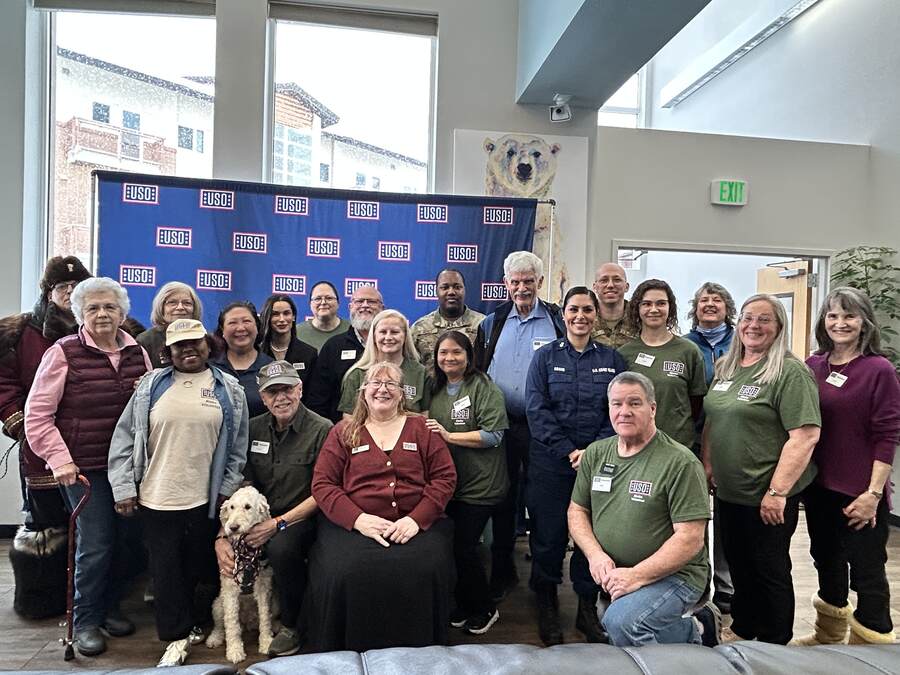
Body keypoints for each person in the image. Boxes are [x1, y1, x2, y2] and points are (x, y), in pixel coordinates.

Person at [108, 319, 249, 667]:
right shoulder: (150, 386)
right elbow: (125, 438)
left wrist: (227, 490)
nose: (188, 350)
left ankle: (196, 623)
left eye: (195, 343)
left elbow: (237, 449)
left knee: (199, 564)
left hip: (205, 496)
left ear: (208, 345)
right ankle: (174, 636)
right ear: (167, 351)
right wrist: (124, 487)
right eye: (179, 345)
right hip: (156, 493)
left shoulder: (229, 389)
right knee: (165, 568)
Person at [25, 277, 152, 657]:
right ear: (80, 313)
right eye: (93, 308)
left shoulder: (136, 352)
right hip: (85, 468)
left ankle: (110, 607)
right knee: (95, 545)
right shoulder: (63, 352)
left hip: (128, 468)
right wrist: (60, 461)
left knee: (127, 544)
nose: (102, 314)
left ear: (122, 313)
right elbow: (37, 415)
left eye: (109, 307)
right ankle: (85, 621)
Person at [308, 361, 457, 652]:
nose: (382, 389)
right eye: (375, 383)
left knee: (426, 567)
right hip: (354, 526)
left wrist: (416, 519)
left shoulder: (422, 429)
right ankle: (347, 650)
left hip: (415, 524)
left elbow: (445, 477)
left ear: (402, 394)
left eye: (391, 384)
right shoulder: (344, 431)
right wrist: (358, 519)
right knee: (345, 571)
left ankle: (420, 650)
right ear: (363, 393)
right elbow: (323, 485)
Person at [568, 372, 719, 648]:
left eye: (634, 403)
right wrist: (595, 555)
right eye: (617, 404)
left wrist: (635, 577)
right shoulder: (597, 454)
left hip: (677, 576)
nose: (624, 412)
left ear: (652, 409)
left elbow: (690, 539)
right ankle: (690, 631)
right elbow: (577, 511)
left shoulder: (680, 463)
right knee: (618, 620)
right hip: (618, 573)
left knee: (622, 622)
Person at [702, 293, 821, 644]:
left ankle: (774, 641)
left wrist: (777, 491)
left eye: (764, 319)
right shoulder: (727, 366)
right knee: (739, 563)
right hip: (729, 489)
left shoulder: (789, 371)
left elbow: (804, 436)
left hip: (768, 492)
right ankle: (744, 625)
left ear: (779, 327)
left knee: (769, 568)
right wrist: (708, 464)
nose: (754, 325)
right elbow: (713, 419)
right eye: (748, 318)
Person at [793, 288, 900, 647]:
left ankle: (873, 643)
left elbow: (887, 435)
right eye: (833, 316)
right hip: (819, 487)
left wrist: (873, 494)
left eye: (849, 316)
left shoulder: (878, 369)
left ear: (864, 322)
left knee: (867, 571)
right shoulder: (813, 365)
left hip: (860, 491)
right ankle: (829, 635)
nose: (840, 323)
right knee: (825, 560)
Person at [524, 286, 626, 645]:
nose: (580, 317)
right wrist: (569, 450)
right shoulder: (544, 358)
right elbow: (536, 410)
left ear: (596, 315)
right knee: (549, 536)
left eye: (587, 310)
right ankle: (548, 603)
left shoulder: (613, 360)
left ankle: (586, 607)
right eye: (573, 310)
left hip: (598, 464)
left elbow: (619, 411)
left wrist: (592, 450)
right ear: (562, 314)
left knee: (592, 538)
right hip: (551, 463)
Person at [217, 359, 332, 657]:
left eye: (287, 389)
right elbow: (242, 487)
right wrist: (222, 535)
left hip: (303, 516)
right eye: (272, 392)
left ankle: (291, 625)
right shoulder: (253, 428)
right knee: (228, 547)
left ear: (300, 389)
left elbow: (324, 491)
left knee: (282, 548)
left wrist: (277, 524)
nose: (281, 398)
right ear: (263, 397)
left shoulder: (322, 429)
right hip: (257, 515)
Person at [475, 250, 564, 601]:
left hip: (543, 428)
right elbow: (480, 373)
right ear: (505, 284)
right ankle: (502, 570)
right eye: (515, 281)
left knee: (542, 501)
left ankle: (545, 582)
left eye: (529, 281)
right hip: (501, 426)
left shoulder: (557, 321)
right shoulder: (491, 322)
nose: (522, 287)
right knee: (502, 498)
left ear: (540, 283)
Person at [425, 331, 508, 636]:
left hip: (481, 486)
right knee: (452, 548)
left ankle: (486, 607)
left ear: (469, 356)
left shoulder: (484, 387)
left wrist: (449, 436)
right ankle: (464, 603)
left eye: (456, 352)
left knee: (465, 548)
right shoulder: (434, 388)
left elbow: (494, 435)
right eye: (443, 353)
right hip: (448, 486)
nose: (449, 358)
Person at [0, 256, 91, 532]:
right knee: (46, 528)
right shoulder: (19, 333)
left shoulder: (104, 330)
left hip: (92, 445)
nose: (70, 291)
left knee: (91, 528)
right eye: (62, 285)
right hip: (40, 446)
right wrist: (22, 426)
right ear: (48, 292)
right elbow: (3, 384)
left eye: (78, 285)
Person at [684, 281, 737, 615]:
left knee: (728, 516)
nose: (710, 304)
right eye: (704, 300)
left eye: (716, 300)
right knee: (695, 514)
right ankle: (698, 579)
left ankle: (727, 584)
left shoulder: (742, 341)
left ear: (727, 307)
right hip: (695, 436)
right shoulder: (686, 345)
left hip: (732, 437)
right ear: (695, 308)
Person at [618, 279, 707, 450]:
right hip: (635, 446)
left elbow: (697, 404)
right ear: (637, 308)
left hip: (678, 447)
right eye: (646, 304)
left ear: (670, 308)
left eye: (661, 303)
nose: (654, 309)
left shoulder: (689, 351)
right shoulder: (624, 354)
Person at [304, 284, 384, 422]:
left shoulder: (391, 344)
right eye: (359, 301)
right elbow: (318, 397)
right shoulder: (334, 346)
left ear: (382, 308)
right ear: (350, 307)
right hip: (342, 430)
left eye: (371, 301)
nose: (364, 305)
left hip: (387, 429)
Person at [337, 309, 431, 418]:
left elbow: (425, 418)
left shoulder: (420, 372)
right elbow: (349, 419)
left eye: (395, 332)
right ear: (374, 336)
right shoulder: (357, 374)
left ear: (405, 336)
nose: (388, 337)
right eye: (383, 332)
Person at [410, 269, 485, 372]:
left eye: (457, 287)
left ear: (464, 290)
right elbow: (411, 369)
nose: (451, 292)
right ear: (436, 291)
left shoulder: (483, 324)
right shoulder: (419, 328)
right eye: (444, 287)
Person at [211, 301, 273, 418]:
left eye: (246, 321)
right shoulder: (210, 367)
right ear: (222, 330)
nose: (240, 328)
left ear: (257, 327)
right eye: (232, 323)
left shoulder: (271, 367)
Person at [136, 281, 203, 368]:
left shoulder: (203, 337)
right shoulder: (146, 340)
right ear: (161, 308)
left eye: (187, 303)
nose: (180, 307)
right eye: (172, 302)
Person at [258, 294, 317, 383]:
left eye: (286, 313)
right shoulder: (257, 353)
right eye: (275, 314)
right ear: (268, 317)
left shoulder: (309, 353)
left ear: (293, 316)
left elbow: (314, 393)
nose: (282, 319)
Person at [590, 262, 635, 349]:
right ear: (595, 287)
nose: (610, 285)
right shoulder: (585, 319)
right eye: (604, 280)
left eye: (617, 280)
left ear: (626, 286)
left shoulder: (638, 318)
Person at [296, 281, 350, 353]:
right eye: (318, 299)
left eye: (329, 298)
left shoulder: (352, 330)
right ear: (310, 304)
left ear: (338, 303)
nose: (323, 302)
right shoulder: (297, 332)